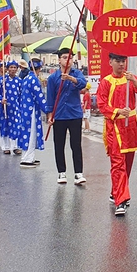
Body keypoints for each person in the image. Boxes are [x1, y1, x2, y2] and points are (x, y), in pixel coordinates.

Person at [96, 53, 137, 215]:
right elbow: (102, 105)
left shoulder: (130, 78)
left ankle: (116, 191)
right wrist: (118, 111)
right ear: (110, 61)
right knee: (117, 164)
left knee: (127, 163)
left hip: (131, 127)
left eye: (123, 61)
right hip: (114, 127)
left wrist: (134, 81)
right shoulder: (106, 82)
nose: (121, 64)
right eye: (118, 61)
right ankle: (122, 200)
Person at [45, 48, 87, 185]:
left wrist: (71, 79)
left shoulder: (77, 74)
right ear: (59, 60)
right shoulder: (53, 78)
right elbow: (50, 97)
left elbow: (83, 84)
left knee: (76, 145)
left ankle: (78, 173)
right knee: (59, 144)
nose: (67, 60)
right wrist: (50, 115)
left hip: (75, 114)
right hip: (59, 115)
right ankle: (61, 172)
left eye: (69, 57)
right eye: (64, 57)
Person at [18, 58, 48, 167]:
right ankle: (27, 158)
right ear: (39, 68)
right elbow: (39, 97)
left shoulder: (26, 78)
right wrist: (48, 109)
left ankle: (30, 156)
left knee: (27, 132)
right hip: (31, 110)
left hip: (25, 109)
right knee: (31, 133)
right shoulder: (34, 80)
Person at [0, 60, 23, 154]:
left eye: (15, 67)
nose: (13, 69)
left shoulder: (19, 81)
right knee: (5, 126)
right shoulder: (2, 80)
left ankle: (15, 146)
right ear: (7, 69)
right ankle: (6, 147)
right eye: (11, 67)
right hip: (4, 108)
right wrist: (1, 100)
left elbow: (21, 95)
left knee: (16, 126)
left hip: (16, 108)